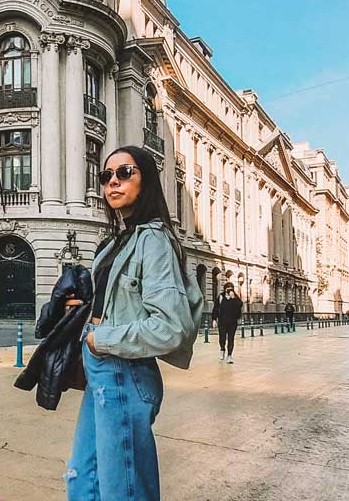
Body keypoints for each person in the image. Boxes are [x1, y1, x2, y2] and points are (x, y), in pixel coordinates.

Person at [66, 145, 204, 501]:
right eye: (106, 175)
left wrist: (101, 338)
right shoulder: (115, 241)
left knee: (122, 490)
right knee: (83, 479)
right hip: (102, 370)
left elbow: (171, 328)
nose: (113, 181)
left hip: (124, 373)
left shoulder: (153, 241)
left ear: (147, 181)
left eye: (125, 173)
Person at [216, 284, 244, 363]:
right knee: (222, 338)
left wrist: (233, 298)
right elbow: (216, 307)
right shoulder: (221, 297)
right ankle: (222, 349)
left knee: (231, 339)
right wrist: (214, 319)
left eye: (231, 289)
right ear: (225, 289)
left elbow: (240, 305)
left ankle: (229, 355)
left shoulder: (235, 297)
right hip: (222, 322)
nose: (229, 290)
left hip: (232, 323)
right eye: (228, 289)